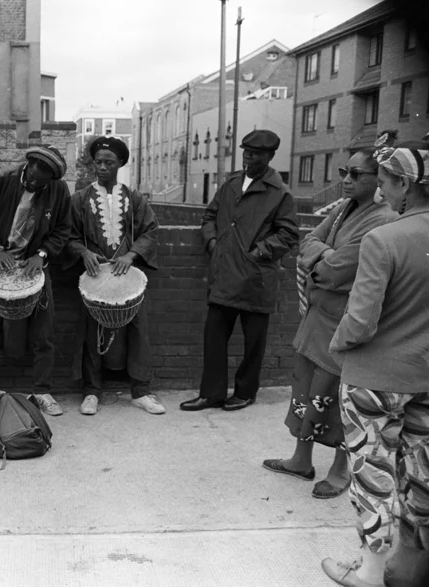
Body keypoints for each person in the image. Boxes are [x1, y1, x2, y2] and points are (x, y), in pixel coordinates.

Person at [321, 141, 429, 587]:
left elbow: (361, 321)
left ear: (405, 184)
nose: (381, 193)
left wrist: (337, 344)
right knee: (421, 472)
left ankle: (368, 572)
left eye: (385, 183)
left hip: (374, 381)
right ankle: (414, 568)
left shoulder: (383, 239)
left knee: (372, 474)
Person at [262, 148, 397, 499]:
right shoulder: (342, 210)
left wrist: (322, 261)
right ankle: (301, 459)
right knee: (306, 392)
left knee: (335, 398)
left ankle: (340, 470)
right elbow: (308, 240)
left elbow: (339, 269)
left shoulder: (380, 220)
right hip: (317, 319)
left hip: (343, 324)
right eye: (343, 171)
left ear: (377, 180)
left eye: (356, 174)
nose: (346, 180)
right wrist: (324, 256)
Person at [181, 129, 299, 412]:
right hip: (224, 275)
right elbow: (209, 216)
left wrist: (258, 252)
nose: (249, 156)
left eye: (256, 153)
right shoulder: (231, 183)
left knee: (253, 342)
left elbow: (289, 234)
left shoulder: (279, 193)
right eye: (246, 150)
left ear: (270, 156)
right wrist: (213, 242)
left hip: (256, 279)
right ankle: (212, 394)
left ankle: (245, 392)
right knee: (213, 337)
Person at [63, 136, 162, 416]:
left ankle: (141, 391)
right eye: (98, 162)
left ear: (120, 164)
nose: (102, 167)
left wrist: (131, 255)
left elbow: (151, 231)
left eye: (109, 162)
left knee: (138, 329)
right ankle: (92, 391)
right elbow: (67, 236)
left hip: (128, 274)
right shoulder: (80, 199)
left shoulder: (134, 198)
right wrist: (82, 252)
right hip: (95, 276)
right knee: (90, 332)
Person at [0, 145, 72, 417]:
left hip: (35, 269)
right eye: (33, 178)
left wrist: (42, 253)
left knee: (44, 334)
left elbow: (63, 229)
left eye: (43, 182)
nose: (35, 184)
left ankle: (42, 391)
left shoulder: (59, 190)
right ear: (28, 164)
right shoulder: (1, 178)